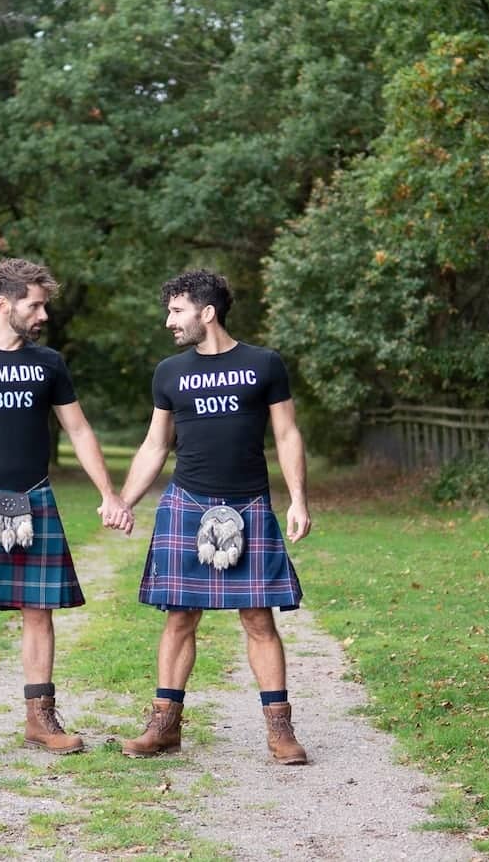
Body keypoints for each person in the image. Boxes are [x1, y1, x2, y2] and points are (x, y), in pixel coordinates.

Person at [0, 257, 132, 764]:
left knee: (39, 610)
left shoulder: (49, 364)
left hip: (32, 495)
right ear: (4, 304)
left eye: (44, 305)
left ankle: (40, 719)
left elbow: (79, 430)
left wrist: (109, 493)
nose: (42, 315)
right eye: (34, 305)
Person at [115, 270, 313, 765]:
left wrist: (298, 498)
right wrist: (124, 499)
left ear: (208, 312)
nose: (169, 321)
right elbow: (157, 443)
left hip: (247, 503)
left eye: (177, 311)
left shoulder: (263, 364)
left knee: (258, 618)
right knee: (180, 616)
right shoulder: (170, 372)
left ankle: (280, 730)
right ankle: (164, 725)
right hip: (188, 501)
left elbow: (287, 434)